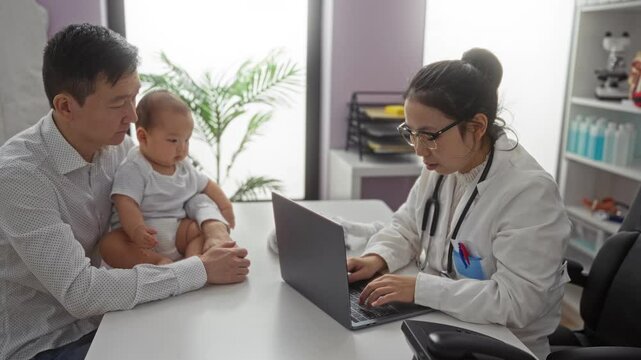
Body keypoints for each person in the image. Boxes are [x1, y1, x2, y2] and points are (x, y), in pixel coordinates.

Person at [0, 24, 250, 360]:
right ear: (66, 106)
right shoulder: (19, 176)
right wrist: (200, 269)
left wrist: (215, 230)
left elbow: (183, 189)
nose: (133, 116)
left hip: (111, 315)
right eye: (119, 103)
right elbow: (80, 292)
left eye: (134, 97)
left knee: (218, 338)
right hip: (49, 340)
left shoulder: (118, 149)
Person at [346, 48, 571, 360]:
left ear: (477, 127)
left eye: (429, 135)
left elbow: (518, 302)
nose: (420, 150)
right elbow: (407, 226)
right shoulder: (444, 166)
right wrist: (377, 258)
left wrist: (419, 288)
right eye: (412, 134)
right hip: (441, 322)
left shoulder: (529, 191)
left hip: (502, 346)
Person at [100, 90, 235, 268]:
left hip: (178, 229)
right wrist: (137, 230)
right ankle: (157, 262)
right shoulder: (135, 166)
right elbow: (125, 202)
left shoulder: (183, 166)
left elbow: (207, 185)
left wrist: (225, 207)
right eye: (173, 141)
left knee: (197, 231)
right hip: (143, 238)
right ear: (143, 137)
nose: (182, 149)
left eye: (186, 140)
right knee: (110, 244)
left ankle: (193, 263)